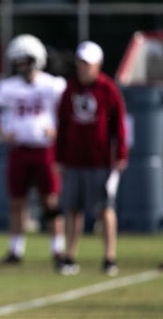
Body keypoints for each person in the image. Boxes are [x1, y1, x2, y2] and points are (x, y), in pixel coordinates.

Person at [56, 41, 128, 276]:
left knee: (105, 209)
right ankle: (69, 256)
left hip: (100, 160)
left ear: (98, 64)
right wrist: (59, 157)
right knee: (72, 209)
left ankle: (109, 257)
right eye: (81, 63)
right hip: (74, 160)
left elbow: (119, 125)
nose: (83, 68)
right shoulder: (70, 89)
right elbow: (63, 124)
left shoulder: (108, 89)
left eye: (88, 64)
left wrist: (121, 154)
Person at [0, 34, 67, 269]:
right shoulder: (8, 87)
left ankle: (58, 248)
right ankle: (16, 249)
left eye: (25, 61)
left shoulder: (53, 85)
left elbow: (65, 114)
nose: (22, 67)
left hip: (45, 150)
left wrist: (57, 131)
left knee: (50, 200)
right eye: (18, 62)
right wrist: (4, 132)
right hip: (19, 150)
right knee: (18, 201)